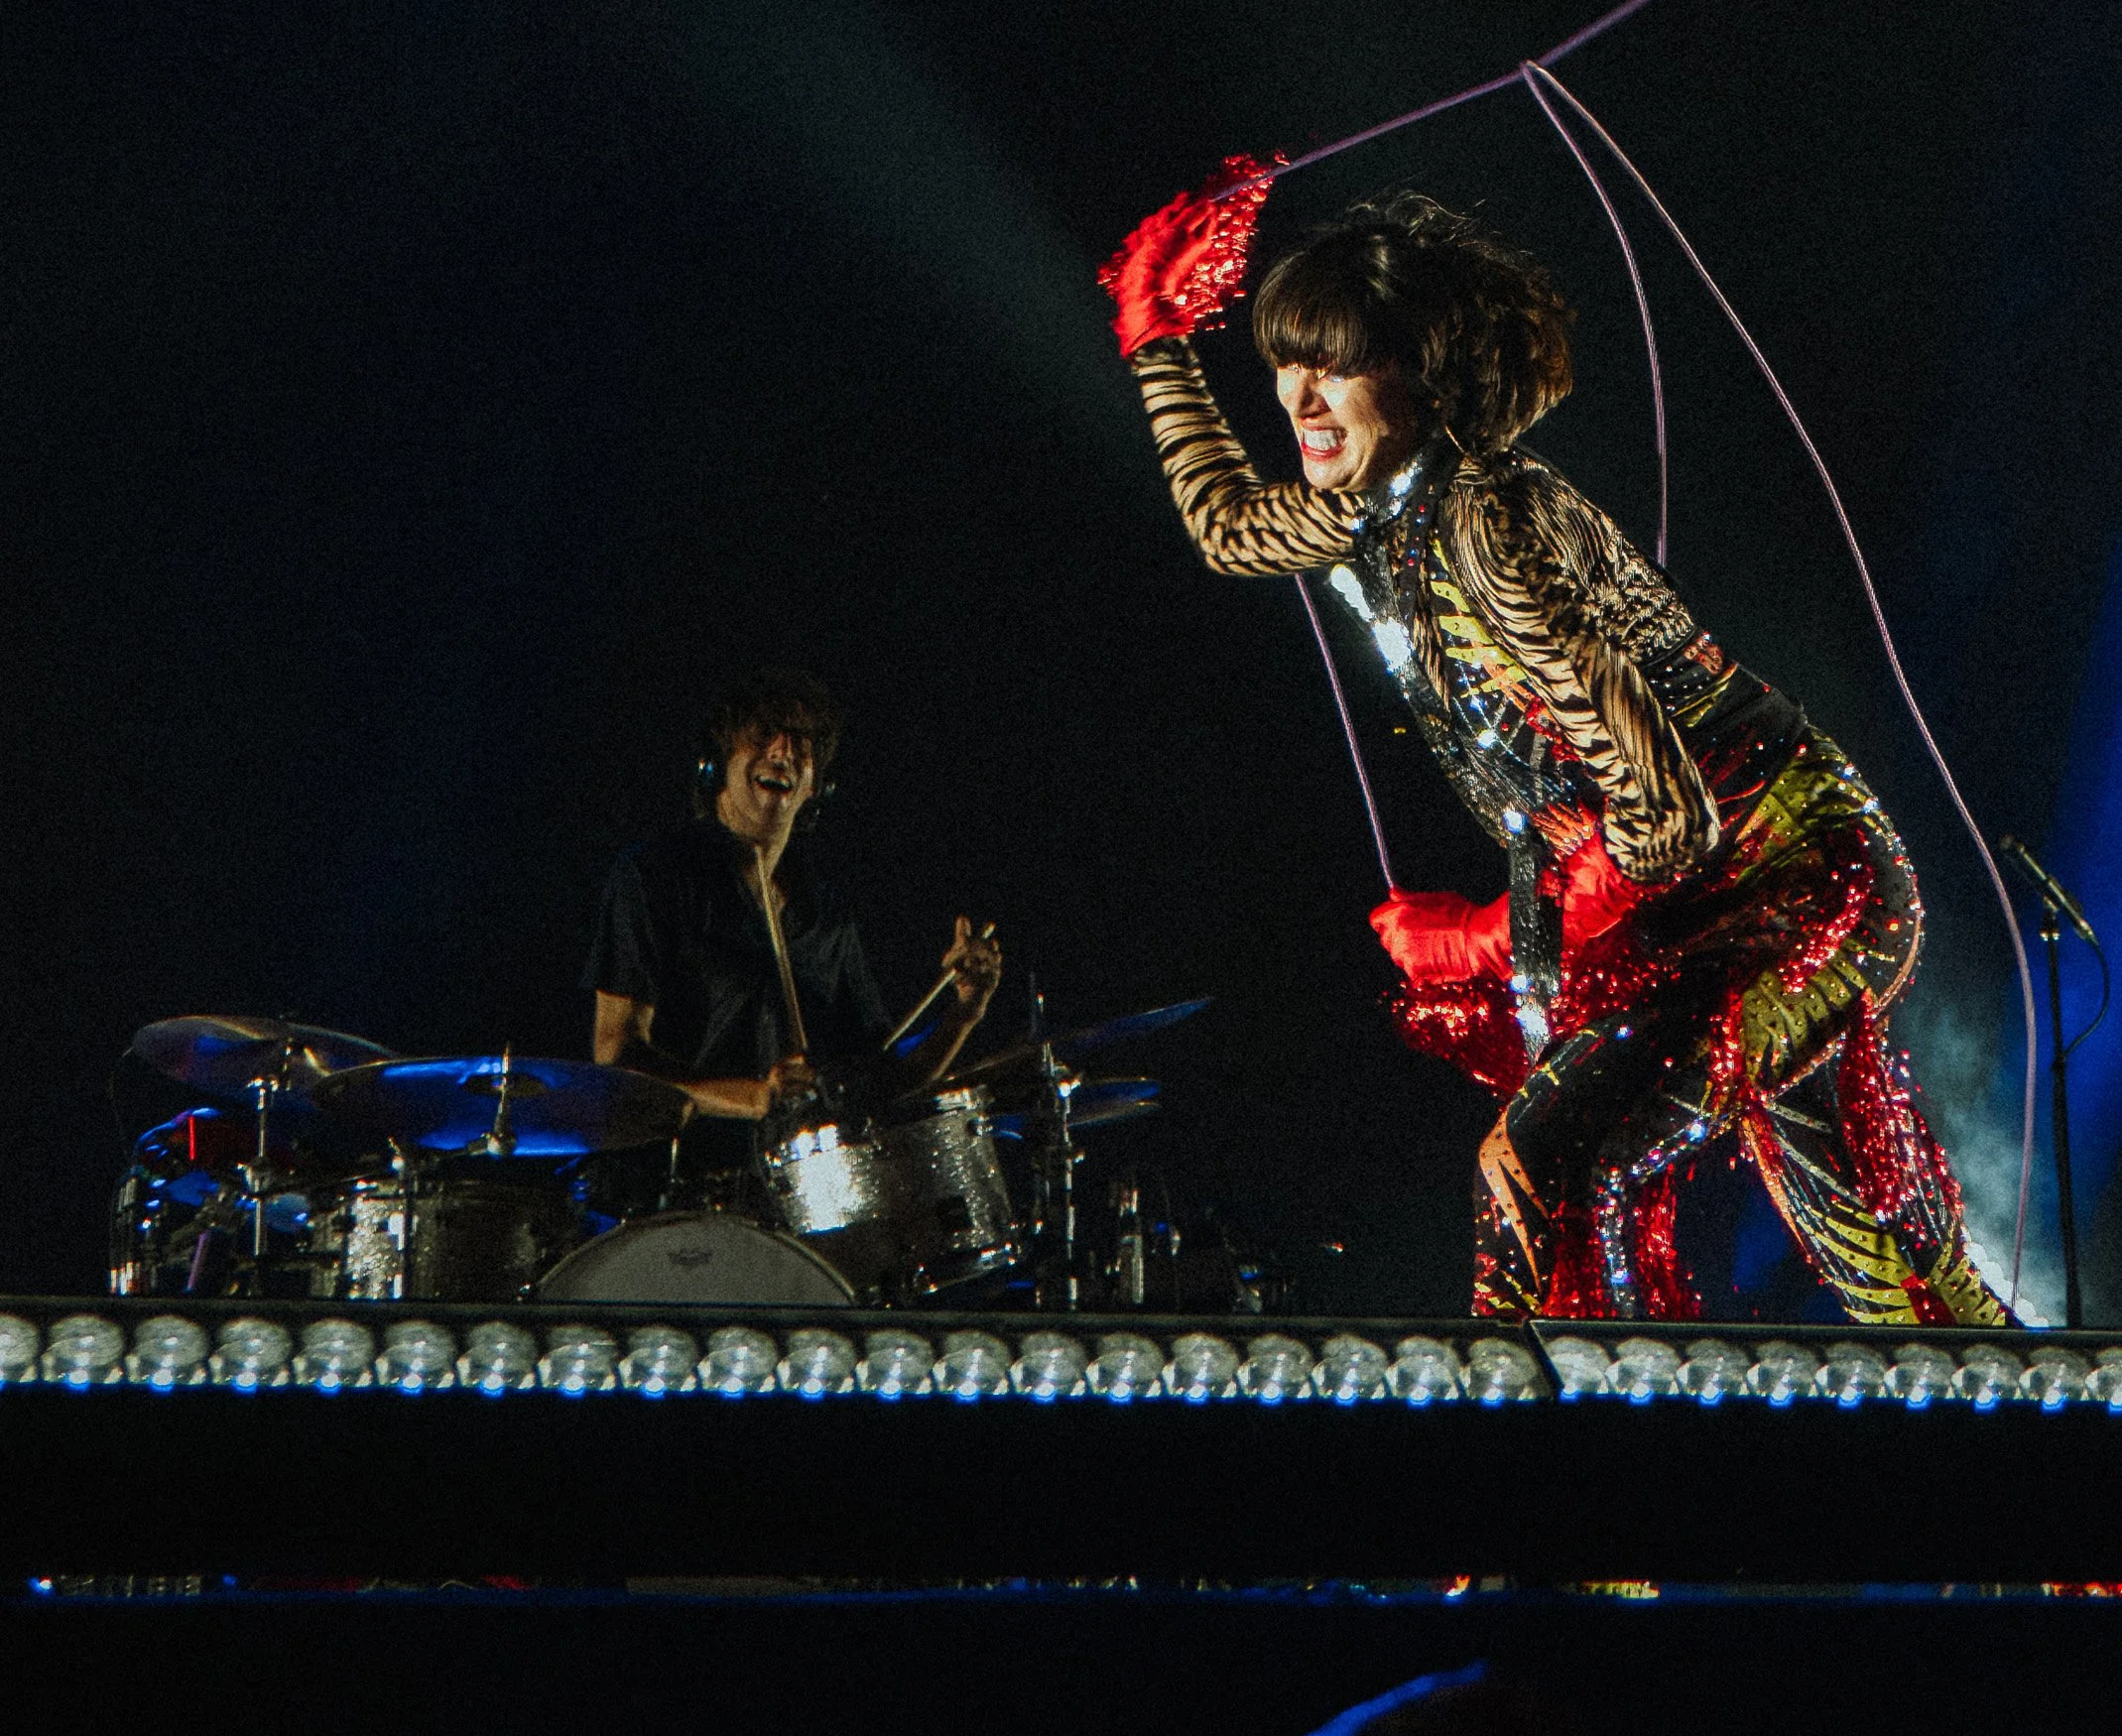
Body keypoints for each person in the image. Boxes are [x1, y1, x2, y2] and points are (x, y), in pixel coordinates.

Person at [1102, 176, 2005, 1327]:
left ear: (1423, 378)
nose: (1299, 395)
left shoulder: (1491, 521)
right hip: (1683, 916)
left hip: (1796, 886)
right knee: (1886, 1255)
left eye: (1337, 362)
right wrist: (1156, 337)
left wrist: (1479, 937)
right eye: (1287, 360)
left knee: (1545, 1165)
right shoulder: (1375, 505)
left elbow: (1668, 816)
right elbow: (1228, 525)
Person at [585, 670, 1002, 1196]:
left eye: (802, 744)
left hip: (794, 1195)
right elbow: (616, 1056)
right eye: (764, 734)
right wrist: (755, 1097)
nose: (783, 750)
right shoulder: (652, 877)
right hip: (663, 1189)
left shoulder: (825, 914)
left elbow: (882, 1080)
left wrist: (963, 1014)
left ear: (815, 784)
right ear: (718, 763)